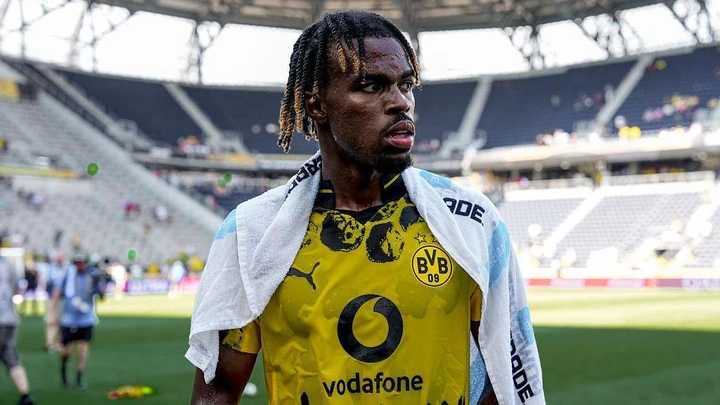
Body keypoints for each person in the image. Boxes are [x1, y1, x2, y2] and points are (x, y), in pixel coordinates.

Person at [188, 10, 544, 405]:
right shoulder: (251, 234)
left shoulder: (470, 222)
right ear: (317, 104)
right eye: (371, 86)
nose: (400, 102)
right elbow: (217, 391)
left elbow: (506, 377)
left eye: (405, 84)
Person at [51, 253, 106, 389]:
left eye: (81, 262)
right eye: (77, 263)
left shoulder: (92, 276)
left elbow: (100, 293)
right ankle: (64, 371)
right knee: (66, 350)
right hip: (69, 319)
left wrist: (102, 287)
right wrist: (53, 308)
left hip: (86, 319)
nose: (79, 265)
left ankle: (79, 378)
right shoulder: (69, 275)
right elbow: (58, 290)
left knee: (83, 349)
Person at [0, 256, 35, 405]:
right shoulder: (7, 264)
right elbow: (16, 287)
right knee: (10, 356)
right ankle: (25, 394)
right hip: (9, 318)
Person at [45, 251, 66, 351]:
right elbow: (49, 283)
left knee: (61, 321)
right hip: (52, 298)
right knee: (51, 320)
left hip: (62, 299)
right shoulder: (50, 269)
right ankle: (49, 342)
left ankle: (59, 342)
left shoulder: (67, 268)